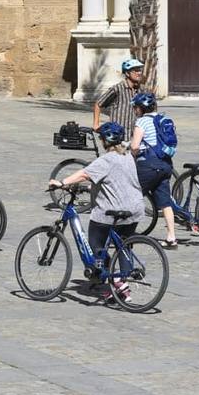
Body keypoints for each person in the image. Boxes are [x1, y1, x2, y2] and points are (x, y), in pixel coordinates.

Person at [50, 121, 145, 303]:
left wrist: (62, 182)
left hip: (112, 210)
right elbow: (111, 179)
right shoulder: (127, 156)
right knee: (123, 246)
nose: (101, 140)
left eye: (101, 138)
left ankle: (115, 280)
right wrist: (88, 187)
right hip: (134, 208)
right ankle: (119, 286)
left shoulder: (106, 160)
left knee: (96, 244)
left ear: (106, 141)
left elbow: (85, 174)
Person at [128, 91, 177, 249]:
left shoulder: (141, 122)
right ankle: (171, 237)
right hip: (165, 164)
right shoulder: (164, 119)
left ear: (141, 108)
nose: (135, 110)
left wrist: (130, 156)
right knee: (165, 202)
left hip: (148, 165)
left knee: (132, 196)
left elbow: (135, 146)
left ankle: (125, 233)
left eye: (136, 107)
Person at [93, 58, 145, 137]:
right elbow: (99, 104)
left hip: (133, 136)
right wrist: (96, 124)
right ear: (127, 73)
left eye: (140, 70)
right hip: (118, 136)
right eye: (136, 71)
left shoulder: (140, 90)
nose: (139, 73)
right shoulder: (117, 89)